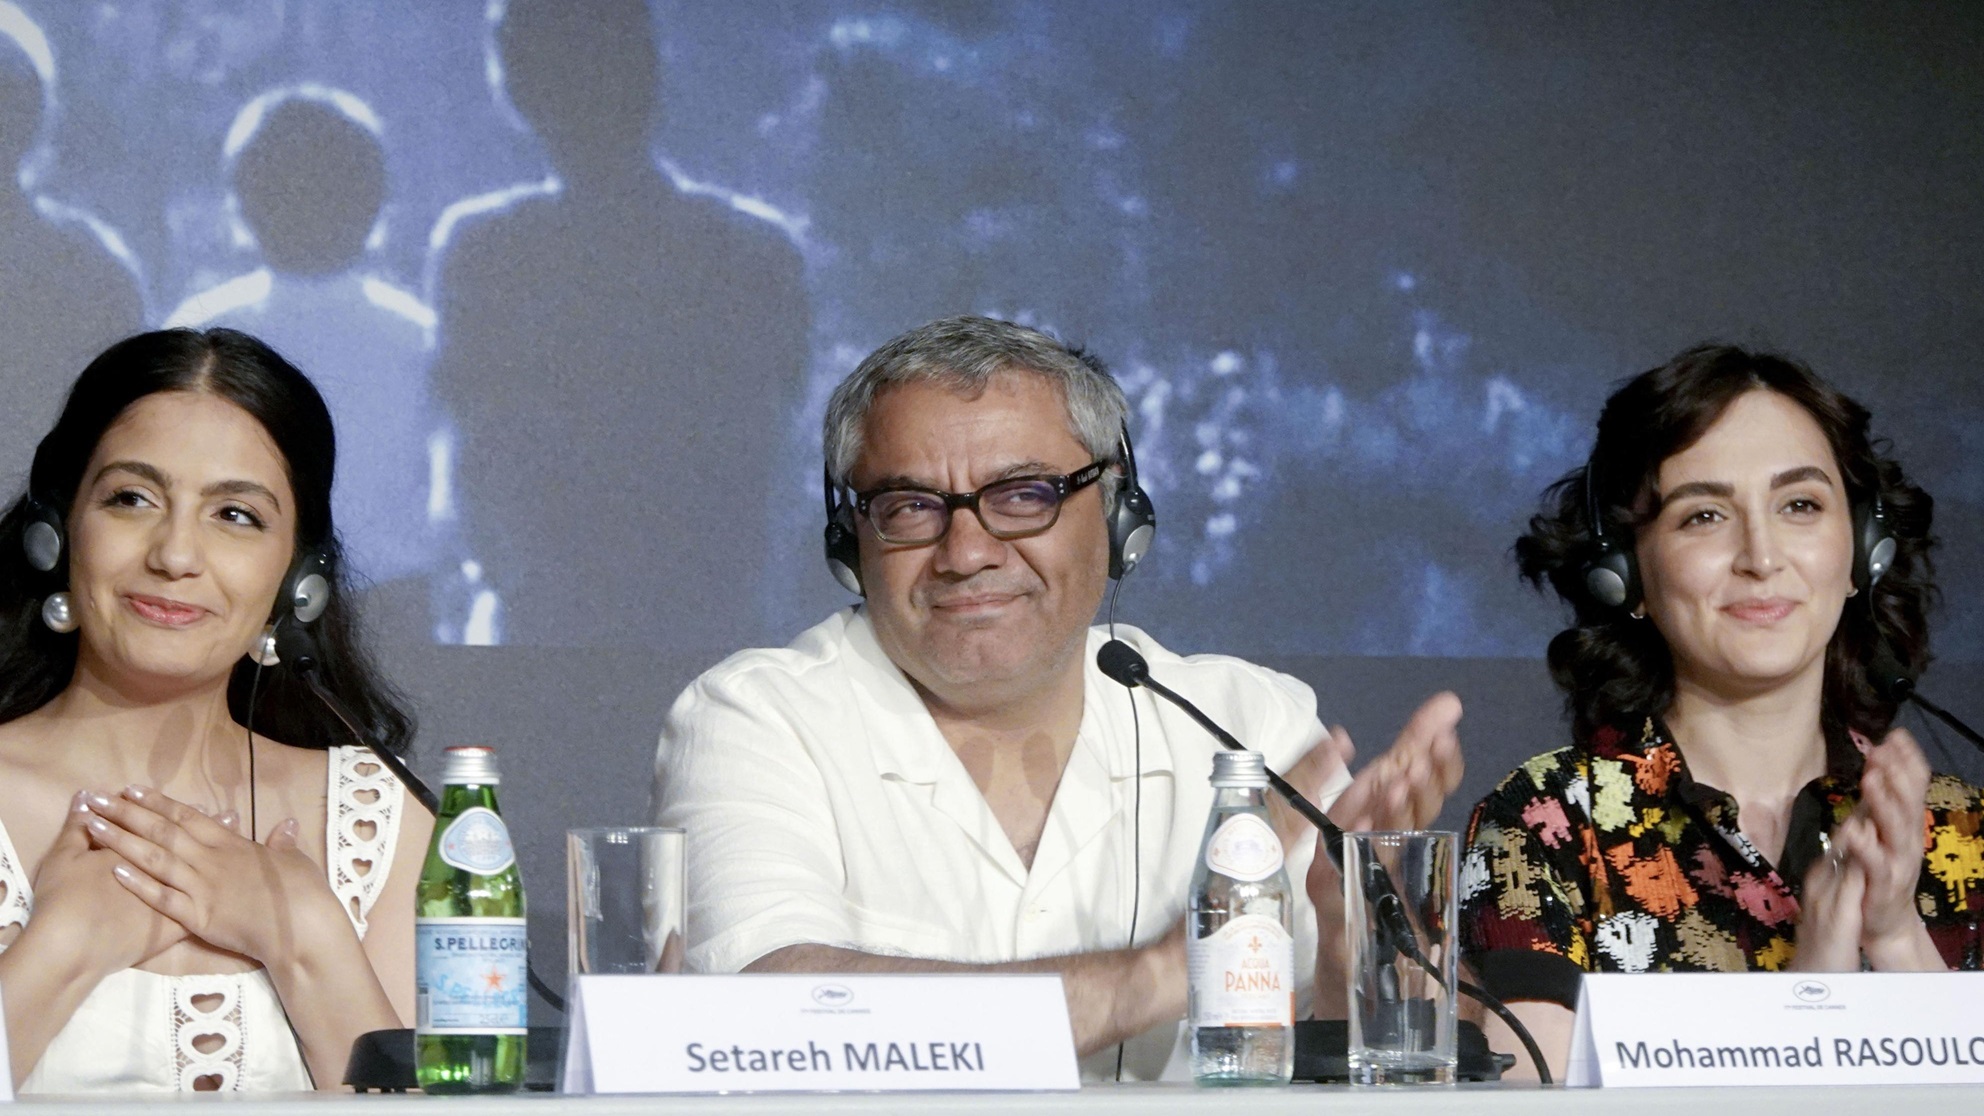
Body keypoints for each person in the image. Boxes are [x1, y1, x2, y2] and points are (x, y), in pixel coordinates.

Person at [653, 315, 1463, 1079]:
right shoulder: (754, 719)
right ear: (850, 541)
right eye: (910, 508)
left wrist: (1355, 952)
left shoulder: (1250, 726)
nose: (965, 553)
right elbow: (756, 1009)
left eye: (1022, 496)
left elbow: (1342, 1084)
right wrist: (1157, 974)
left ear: (1117, 513)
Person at [1459, 343, 1984, 1080]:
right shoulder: (1549, 824)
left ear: (1865, 550)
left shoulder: (1965, 834)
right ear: (1625, 576)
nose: (1761, 556)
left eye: (1800, 505)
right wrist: (1817, 980)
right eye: (1704, 515)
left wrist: (1896, 937)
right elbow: (1527, 1095)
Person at [0, 329, 430, 1093]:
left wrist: (309, 942)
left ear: (299, 578)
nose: (174, 554)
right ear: (56, 534)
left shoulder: (379, 821)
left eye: (236, 515)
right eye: (131, 499)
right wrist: (62, 947)